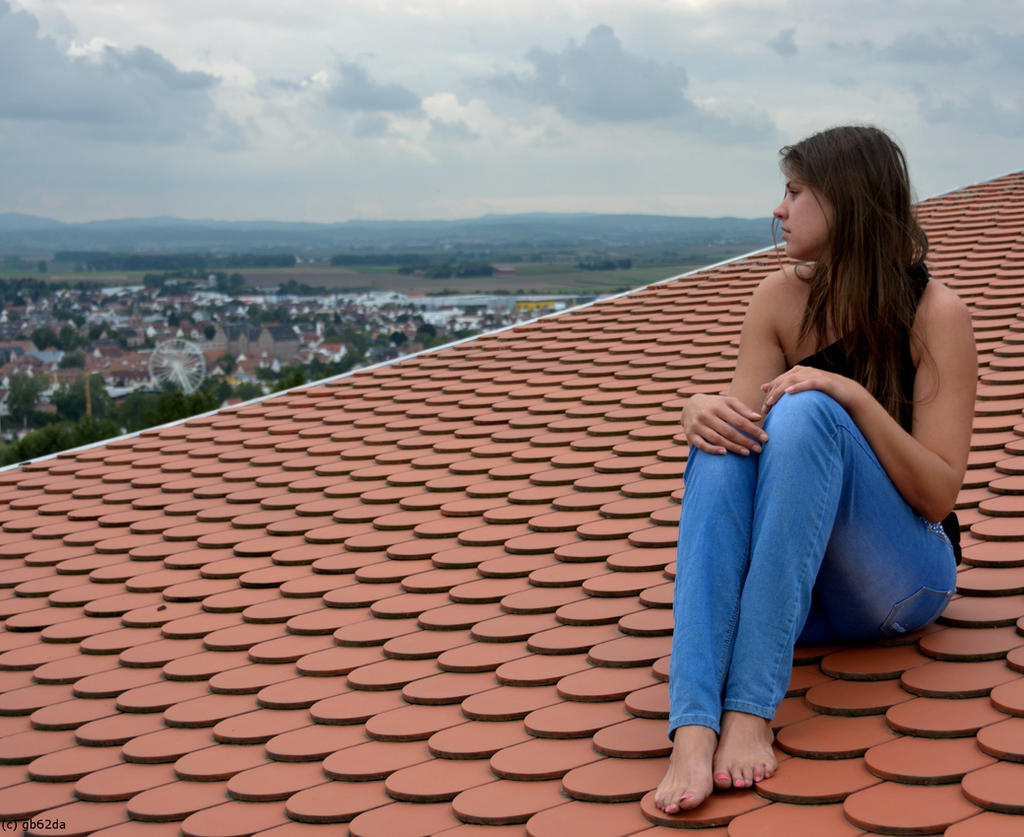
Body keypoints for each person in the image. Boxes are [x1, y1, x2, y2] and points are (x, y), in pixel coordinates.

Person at [653, 126, 977, 814]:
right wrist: (696, 408)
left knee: (806, 411)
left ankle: (750, 707)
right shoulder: (776, 299)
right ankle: (693, 724)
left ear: (848, 203)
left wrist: (850, 395)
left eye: (796, 192)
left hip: (903, 577)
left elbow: (938, 492)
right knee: (721, 440)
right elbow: (740, 450)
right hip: (804, 599)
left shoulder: (936, 313)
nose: (779, 209)